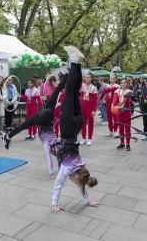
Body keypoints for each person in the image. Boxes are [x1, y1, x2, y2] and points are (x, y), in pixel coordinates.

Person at [50, 45, 98, 213]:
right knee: (70, 91)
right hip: (69, 126)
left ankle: (76, 62)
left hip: (78, 125)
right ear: (77, 176)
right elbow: (57, 186)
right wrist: (54, 204)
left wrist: (87, 201)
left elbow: (83, 185)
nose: (75, 184)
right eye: (76, 182)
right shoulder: (69, 169)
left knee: (74, 90)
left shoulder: (81, 167)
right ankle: (74, 61)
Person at [2, 74, 68, 178]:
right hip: (45, 116)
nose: (52, 153)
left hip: (45, 116)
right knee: (24, 125)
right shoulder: (54, 144)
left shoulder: (50, 144)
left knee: (24, 125)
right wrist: (54, 173)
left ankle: (8, 136)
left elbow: (54, 158)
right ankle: (8, 136)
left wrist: (54, 173)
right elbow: (57, 158)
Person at [112, 78, 133, 151]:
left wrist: (120, 103)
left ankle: (128, 144)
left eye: (125, 83)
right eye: (122, 83)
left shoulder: (129, 91)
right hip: (119, 111)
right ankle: (122, 143)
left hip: (126, 111)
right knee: (120, 127)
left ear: (127, 84)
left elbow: (126, 99)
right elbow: (114, 99)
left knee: (127, 128)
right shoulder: (117, 91)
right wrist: (114, 105)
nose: (123, 84)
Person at [80, 73, 98, 146]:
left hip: (90, 108)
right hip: (82, 108)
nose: (87, 79)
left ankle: (89, 138)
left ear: (91, 79)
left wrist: (94, 110)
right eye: (86, 78)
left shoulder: (94, 88)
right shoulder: (81, 86)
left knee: (90, 123)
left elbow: (95, 100)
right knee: (82, 123)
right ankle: (83, 138)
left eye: (88, 78)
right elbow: (80, 97)